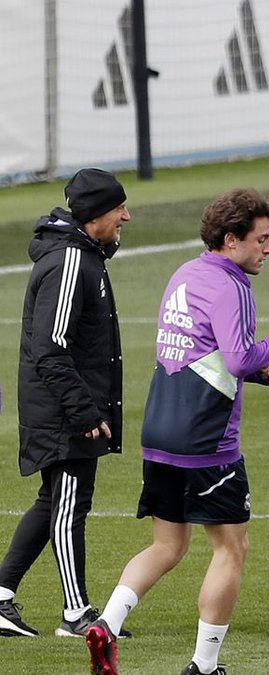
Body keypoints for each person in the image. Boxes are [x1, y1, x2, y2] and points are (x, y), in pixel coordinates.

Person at [85, 188, 269, 675]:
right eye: (262, 239)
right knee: (231, 548)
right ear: (232, 240)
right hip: (207, 441)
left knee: (167, 545)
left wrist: (254, 370)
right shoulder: (234, 288)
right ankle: (204, 666)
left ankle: (106, 622)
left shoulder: (184, 274)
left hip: (160, 429)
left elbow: (197, 352)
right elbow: (239, 357)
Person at [0, 169, 131, 639]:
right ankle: (76, 614)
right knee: (68, 506)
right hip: (62, 412)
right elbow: (51, 348)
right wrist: (85, 411)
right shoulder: (71, 261)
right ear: (96, 213)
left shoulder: (85, 256)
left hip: (64, 406)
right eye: (120, 208)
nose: (127, 216)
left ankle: (0, 596)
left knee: (52, 501)